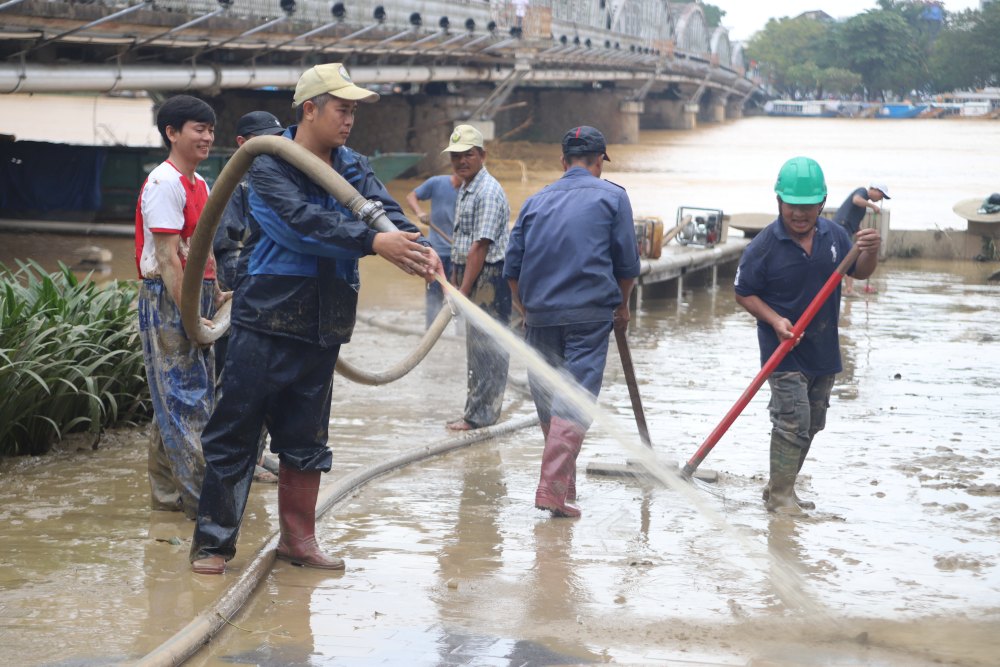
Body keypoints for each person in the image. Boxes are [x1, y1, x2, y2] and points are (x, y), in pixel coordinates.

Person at [189, 63, 441, 575]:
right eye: (342, 109)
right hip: (267, 315)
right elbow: (299, 226)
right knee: (236, 430)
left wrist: (418, 247)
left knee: (307, 438)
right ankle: (213, 544)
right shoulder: (266, 163)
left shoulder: (353, 164)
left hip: (326, 318)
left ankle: (298, 542)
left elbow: (385, 210)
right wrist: (374, 241)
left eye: (353, 111)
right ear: (310, 109)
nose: (350, 119)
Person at [504, 126, 640, 518]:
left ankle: (565, 487)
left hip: (540, 313)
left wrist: (523, 308)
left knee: (549, 393)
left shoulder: (534, 201)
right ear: (600, 162)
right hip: (589, 313)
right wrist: (624, 306)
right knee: (575, 397)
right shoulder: (614, 197)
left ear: (563, 163)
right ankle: (551, 488)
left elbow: (512, 267)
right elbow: (627, 264)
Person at [734, 156, 880, 514]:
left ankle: (779, 488)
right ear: (779, 202)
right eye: (792, 206)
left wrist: (871, 252)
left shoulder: (835, 235)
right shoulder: (764, 246)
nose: (799, 214)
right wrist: (775, 320)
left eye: (808, 207)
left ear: (822, 202)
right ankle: (782, 499)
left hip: (823, 346)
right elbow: (743, 292)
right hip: (782, 348)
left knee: (813, 421)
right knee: (792, 419)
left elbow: (858, 273)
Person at [135, 95, 230, 519]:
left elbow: (201, 249)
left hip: (196, 294)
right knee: (185, 401)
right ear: (172, 133)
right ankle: (201, 506)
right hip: (168, 298)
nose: (207, 136)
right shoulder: (164, 183)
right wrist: (191, 316)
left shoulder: (201, 183)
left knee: (175, 398)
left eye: (210, 129)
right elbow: (169, 258)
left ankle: (166, 498)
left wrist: (218, 290)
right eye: (198, 128)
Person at [213, 110, 286, 485]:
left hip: (263, 286)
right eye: (264, 141)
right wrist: (248, 287)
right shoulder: (233, 185)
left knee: (266, 377)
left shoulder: (267, 180)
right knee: (237, 374)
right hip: (239, 286)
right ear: (243, 144)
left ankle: (256, 454)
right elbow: (227, 247)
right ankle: (242, 460)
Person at [441, 124, 512, 432]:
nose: (461, 161)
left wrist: (462, 290)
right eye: (455, 156)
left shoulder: (487, 192)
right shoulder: (467, 187)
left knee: (487, 348)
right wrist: (457, 282)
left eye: (468, 154)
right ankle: (476, 412)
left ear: (483, 155)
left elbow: (479, 247)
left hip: (489, 279)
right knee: (478, 347)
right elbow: (463, 244)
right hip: (475, 276)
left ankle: (480, 417)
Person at [405, 169, 461, 327]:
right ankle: (431, 335)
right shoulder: (437, 183)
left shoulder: (471, 191)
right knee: (434, 299)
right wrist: (420, 213)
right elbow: (411, 196)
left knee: (460, 299)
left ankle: (459, 336)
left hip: (459, 256)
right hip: (436, 254)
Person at [832, 183, 888, 294]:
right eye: (881, 196)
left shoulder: (862, 209)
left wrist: (862, 233)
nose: (880, 199)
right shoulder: (862, 191)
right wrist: (872, 206)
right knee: (850, 258)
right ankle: (848, 289)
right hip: (841, 229)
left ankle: (846, 288)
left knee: (845, 259)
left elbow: (856, 224)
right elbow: (856, 200)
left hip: (845, 231)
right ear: (874, 190)